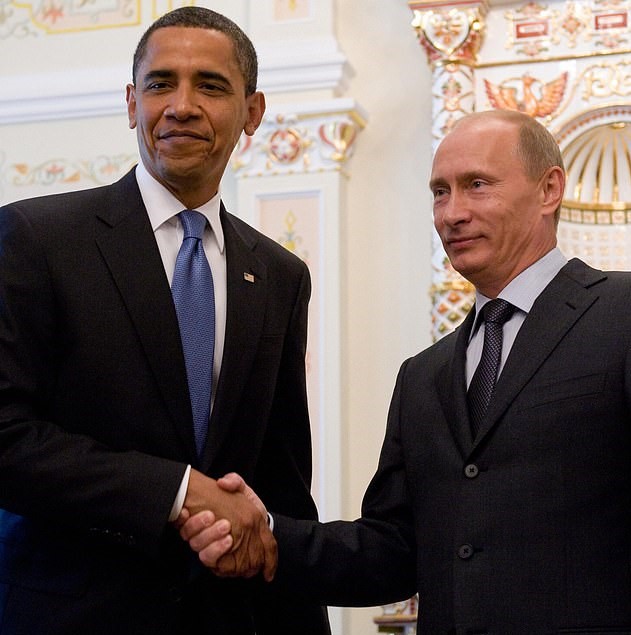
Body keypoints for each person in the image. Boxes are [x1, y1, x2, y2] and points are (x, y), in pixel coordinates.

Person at [180, 109, 631, 634]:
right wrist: (269, 535)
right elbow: (391, 550)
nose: (452, 214)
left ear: (549, 189)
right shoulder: (424, 376)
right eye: (440, 192)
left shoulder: (620, 314)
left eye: (477, 185)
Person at [0, 7, 330, 634]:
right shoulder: (37, 240)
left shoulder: (280, 275)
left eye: (210, 86)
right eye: (160, 84)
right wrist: (174, 491)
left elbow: (282, 484)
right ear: (132, 104)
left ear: (252, 112)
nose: (181, 106)